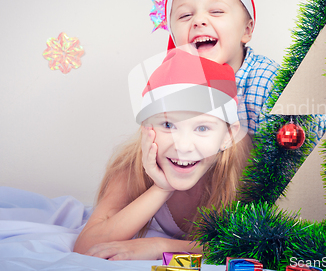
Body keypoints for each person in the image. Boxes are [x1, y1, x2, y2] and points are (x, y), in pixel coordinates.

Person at [74, 49, 251, 260]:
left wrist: (161, 246)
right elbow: (87, 246)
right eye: (168, 125)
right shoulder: (132, 166)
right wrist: (161, 188)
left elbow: (261, 244)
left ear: (228, 135)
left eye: (202, 128)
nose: (183, 146)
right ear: (146, 127)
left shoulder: (241, 166)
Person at [164, 0, 326, 140]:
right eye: (185, 15)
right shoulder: (172, 86)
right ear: (175, 38)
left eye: (216, 12)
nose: (198, 21)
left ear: (246, 30)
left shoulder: (265, 80)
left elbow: (309, 139)